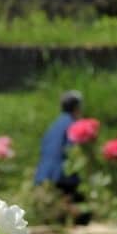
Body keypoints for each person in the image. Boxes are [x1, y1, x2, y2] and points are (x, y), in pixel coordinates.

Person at [35, 90, 89, 222]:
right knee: (82, 209)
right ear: (77, 107)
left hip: (45, 172)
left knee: (59, 205)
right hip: (63, 173)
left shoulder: (54, 125)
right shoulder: (73, 125)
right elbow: (73, 151)